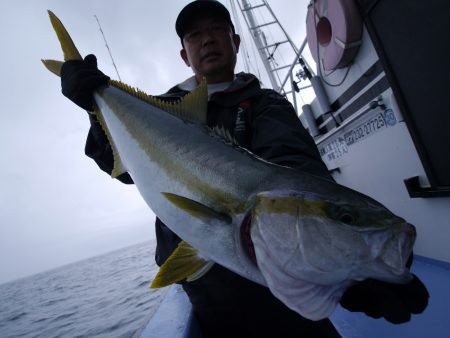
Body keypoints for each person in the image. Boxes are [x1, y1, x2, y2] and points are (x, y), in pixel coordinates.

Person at [60, 1, 428, 337]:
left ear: (235, 42)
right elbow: (120, 166)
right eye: (194, 35)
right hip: (208, 295)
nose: (207, 40)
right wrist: (94, 105)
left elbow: (295, 168)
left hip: (280, 301)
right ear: (184, 55)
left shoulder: (266, 105)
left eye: (217, 29)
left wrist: (348, 271)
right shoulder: (157, 111)